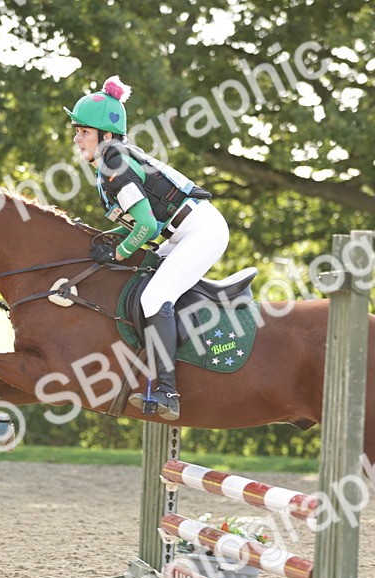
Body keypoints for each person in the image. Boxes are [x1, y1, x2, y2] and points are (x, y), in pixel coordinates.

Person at [66, 76, 229, 421]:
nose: (76, 137)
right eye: (76, 129)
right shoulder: (110, 162)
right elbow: (139, 224)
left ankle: (168, 391)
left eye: (84, 131)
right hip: (182, 232)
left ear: (106, 136)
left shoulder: (113, 162)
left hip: (200, 229)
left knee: (154, 298)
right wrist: (107, 239)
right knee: (138, 286)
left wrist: (119, 252)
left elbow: (146, 227)